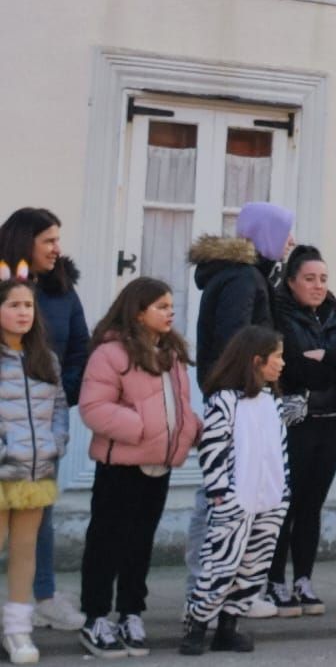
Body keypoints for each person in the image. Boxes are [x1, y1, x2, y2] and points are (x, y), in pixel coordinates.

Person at [77, 278, 201, 657]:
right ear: (138, 311)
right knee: (106, 543)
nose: (170, 312)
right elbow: (93, 408)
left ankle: (131, 611)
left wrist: (191, 429)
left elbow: (177, 404)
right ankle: (96, 617)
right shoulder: (110, 353)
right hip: (121, 467)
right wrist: (143, 430)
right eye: (161, 306)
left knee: (139, 545)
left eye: (170, 305)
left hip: (159, 466)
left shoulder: (171, 353)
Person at [267, 246, 336, 616]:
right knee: (287, 504)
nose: (318, 286)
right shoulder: (278, 314)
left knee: (312, 505)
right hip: (296, 422)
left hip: (331, 420)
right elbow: (294, 368)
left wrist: (327, 357)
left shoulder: (333, 314)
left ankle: (303, 580)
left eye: (323, 278)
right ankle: (274, 581)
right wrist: (334, 361)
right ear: (291, 281)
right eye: (309, 279)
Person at [0, 207, 87, 635]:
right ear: (24, 242)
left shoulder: (62, 292)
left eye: (58, 239)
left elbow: (79, 352)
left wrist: (56, 395)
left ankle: (42, 597)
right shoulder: (2, 287)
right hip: (6, 430)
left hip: (41, 430)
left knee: (39, 522)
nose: (57, 249)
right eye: (48, 240)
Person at [181, 326, 294, 655]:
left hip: (270, 498)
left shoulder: (271, 401)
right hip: (234, 498)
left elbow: (279, 449)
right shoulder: (224, 400)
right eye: (277, 357)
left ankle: (228, 627)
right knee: (220, 564)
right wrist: (220, 492)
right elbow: (212, 448)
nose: (282, 364)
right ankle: (197, 625)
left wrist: (283, 490)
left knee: (253, 565)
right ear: (257, 361)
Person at [187, 224, 282, 616]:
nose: (289, 242)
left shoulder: (242, 274)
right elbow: (238, 340)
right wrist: (250, 384)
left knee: (226, 494)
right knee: (223, 498)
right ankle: (210, 594)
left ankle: (219, 593)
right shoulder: (244, 278)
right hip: (238, 394)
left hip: (236, 391)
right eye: (285, 233)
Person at [0, 273, 69, 665]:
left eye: (28, 305)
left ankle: (17, 629)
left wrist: (55, 443)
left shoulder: (45, 359)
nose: (23, 312)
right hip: (2, 469)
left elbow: (59, 407)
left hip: (36, 469)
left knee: (26, 550)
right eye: (13, 305)